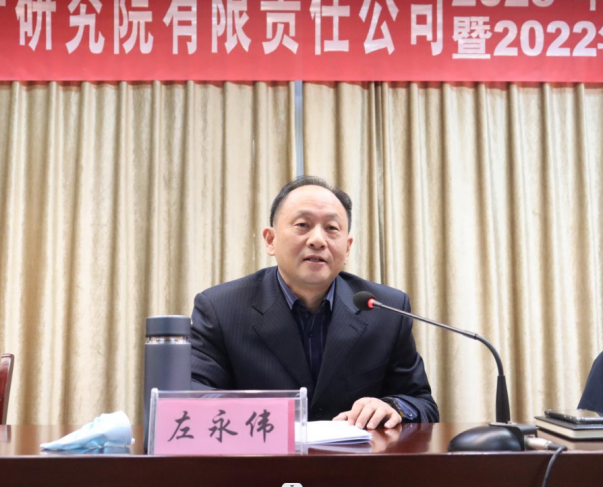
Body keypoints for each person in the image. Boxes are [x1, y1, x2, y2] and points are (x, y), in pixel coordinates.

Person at [191, 176, 439, 429]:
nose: (318, 240)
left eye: (332, 228)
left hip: (356, 454)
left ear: (347, 247)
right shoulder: (220, 308)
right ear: (270, 240)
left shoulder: (385, 308)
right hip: (262, 451)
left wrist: (392, 406)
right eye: (302, 225)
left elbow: (422, 403)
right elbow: (193, 396)